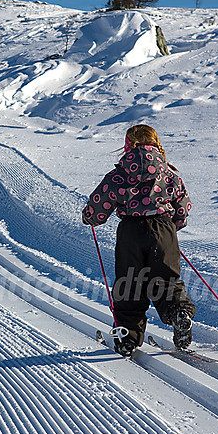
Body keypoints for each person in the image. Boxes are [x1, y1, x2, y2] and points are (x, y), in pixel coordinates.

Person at [82, 124, 195, 357]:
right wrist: (172, 227)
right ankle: (179, 315)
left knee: (130, 283)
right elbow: (182, 206)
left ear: (127, 146)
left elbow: (98, 206)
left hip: (131, 232)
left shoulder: (119, 175)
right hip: (163, 229)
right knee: (166, 279)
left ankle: (127, 337)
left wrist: (90, 217)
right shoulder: (169, 174)